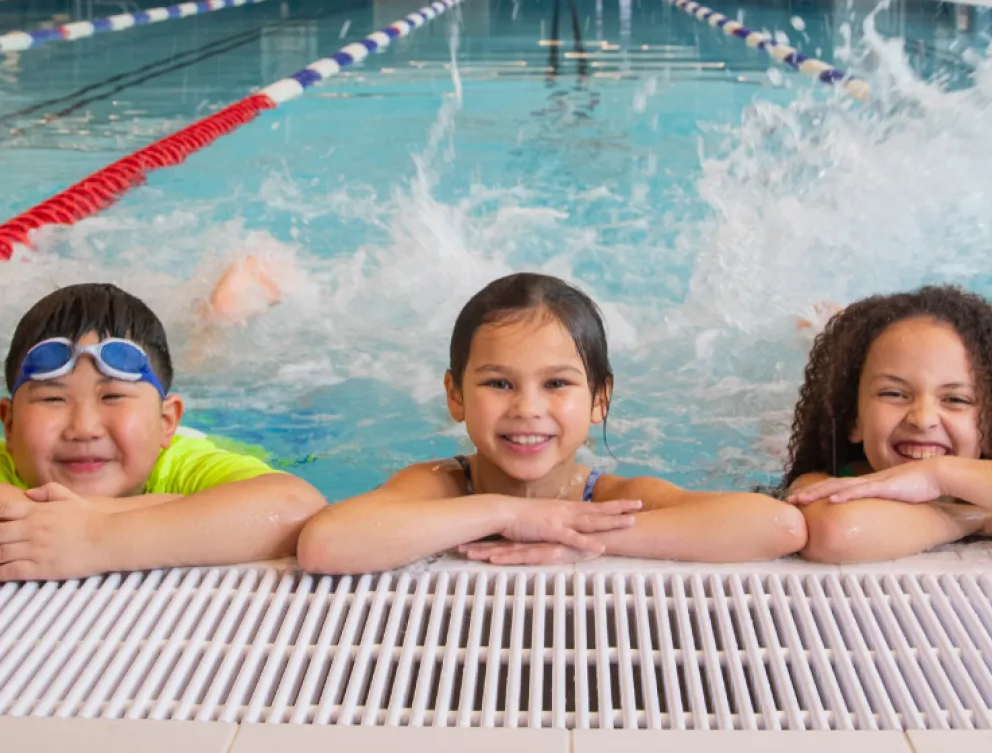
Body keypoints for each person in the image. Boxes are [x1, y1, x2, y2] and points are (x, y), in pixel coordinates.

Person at [297, 272, 806, 574]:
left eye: (557, 384)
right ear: (455, 395)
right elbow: (325, 544)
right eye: (499, 383)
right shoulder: (440, 487)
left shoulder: (608, 501)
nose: (527, 408)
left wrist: (571, 535)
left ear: (599, 399)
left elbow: (778, 525)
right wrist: (503, 516)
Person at [0, 282, 324, 581]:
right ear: (9, 424)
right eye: (53, 399)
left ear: (166, 423)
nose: (83, 428)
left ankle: (219, 319)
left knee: (216, 378)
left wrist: (98, 536)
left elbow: (297, 507)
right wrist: (176, 509)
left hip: (241, 434)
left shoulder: (185, 465)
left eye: (112, 397)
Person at [787, 285, 992, 562]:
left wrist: (939, 473)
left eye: (956, 399)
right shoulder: (833, 482)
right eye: (893, 394)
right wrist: (975, 517)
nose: (922, 420)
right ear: (853, 420)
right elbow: (838, 533)